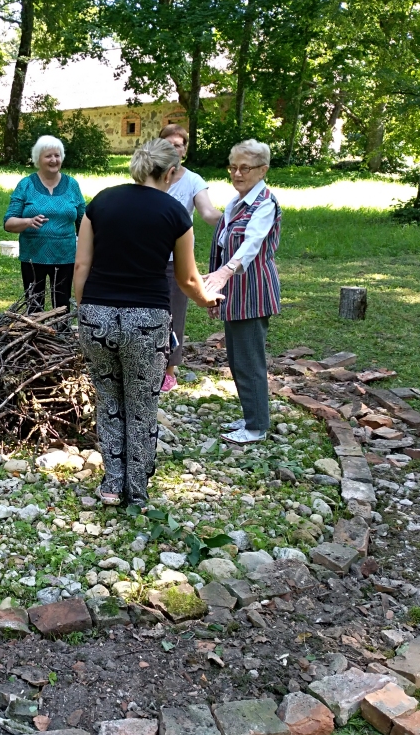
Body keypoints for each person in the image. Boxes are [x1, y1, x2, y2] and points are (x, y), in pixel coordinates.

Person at [74, 139, 221, 507]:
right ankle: (137, 491)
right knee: (141, 404)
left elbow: (81, 266)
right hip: (147, 320)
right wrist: (207, 300)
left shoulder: (101, 202)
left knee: (109, 398)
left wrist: (85, 309)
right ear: (170, 172)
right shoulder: (175, 213)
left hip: (98, 315)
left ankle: (111, 484)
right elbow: (187, 279)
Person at [203, 139, 282, 445]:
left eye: (245, 168)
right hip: (234, 290)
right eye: (233, 167)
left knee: (250, 359)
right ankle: (252, 415)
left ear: (263, 170)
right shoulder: (238, 201)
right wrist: (212, 289)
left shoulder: (264, 204)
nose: (237, 173)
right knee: (237, 359)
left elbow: (251, 245)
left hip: (253, 291)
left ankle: (257, 426)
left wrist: (223, 275)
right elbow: (222, 246)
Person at [158, 123, 222, 392]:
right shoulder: (150, 175)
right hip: (145, 256)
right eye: (170, 144)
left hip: (176, 259)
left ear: (185, 148)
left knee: (175, 313)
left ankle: (169, 369)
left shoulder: (193, 180)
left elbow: (207, 212)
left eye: (180, 144)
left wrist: (236, 219)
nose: (176, 148)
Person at [3, 135, 85, 312]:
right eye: (48, 156)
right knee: (34, 305)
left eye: (57, 155)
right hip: (33, 256)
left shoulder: (72, 185)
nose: (54, 160)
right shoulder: (26, 185)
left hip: (65, 256)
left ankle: (60, 338)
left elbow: (83, 221)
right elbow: (8, 222)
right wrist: (27, 221)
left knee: (62, 306)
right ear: (38, 159)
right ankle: (33, 339)